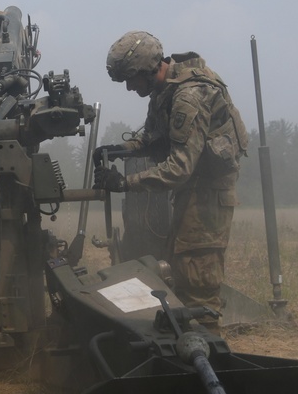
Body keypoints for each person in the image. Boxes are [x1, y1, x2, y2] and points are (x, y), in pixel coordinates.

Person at [95, 31, 249, 329]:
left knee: (197, 280)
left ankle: (207, 351)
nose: (129, 87)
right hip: (192, 193)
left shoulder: (188, 96)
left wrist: (124, 183)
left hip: (208, 197)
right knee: (178, 270)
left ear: (148, 69)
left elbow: (179, 167)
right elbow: (153, 139)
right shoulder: (164, 93)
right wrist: (119, 150)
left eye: (131, 79)